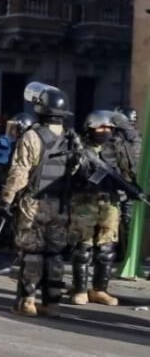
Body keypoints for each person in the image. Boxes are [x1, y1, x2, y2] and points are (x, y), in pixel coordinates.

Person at [0, 83, 74, 317]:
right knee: (54, 254)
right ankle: (52, 303)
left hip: (33, 203)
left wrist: (5, 200)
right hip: (60, 205)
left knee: (31, 253)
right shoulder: (72, 138)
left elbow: (20, 172)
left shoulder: (32, 135)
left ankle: (27, 301)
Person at [66, 111, 133, 306]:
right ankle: (80, 289)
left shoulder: (116, 148)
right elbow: (69, 172)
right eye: (101, 128)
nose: (105, 131)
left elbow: (126, 173)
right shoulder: (80, 147)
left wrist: (129, 190)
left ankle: (99, 289)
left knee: (107, 248)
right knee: (83, 248)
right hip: (84, 202)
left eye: (109, 128)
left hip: (109, 203)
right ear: (90, 128)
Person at [113, 106, 143, 266]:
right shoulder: (138, 137)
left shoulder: (118, 138)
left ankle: (124, 256)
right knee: (128, 220)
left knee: (120, 220)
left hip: (122, 183)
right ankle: (129, 257)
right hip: (136, 185)